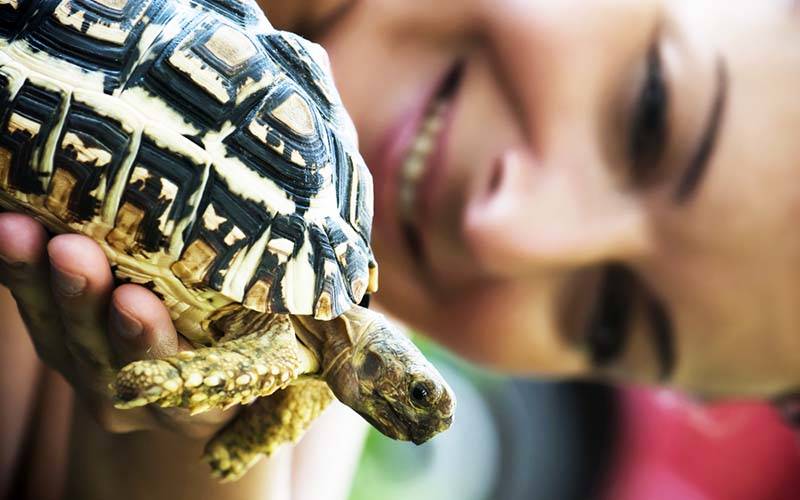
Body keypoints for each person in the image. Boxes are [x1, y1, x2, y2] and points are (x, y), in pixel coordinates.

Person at [4, 0, 800, 498]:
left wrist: (171, 468)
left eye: (603, 317)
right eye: (647, 111)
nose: (507, 227)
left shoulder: (295, 440)